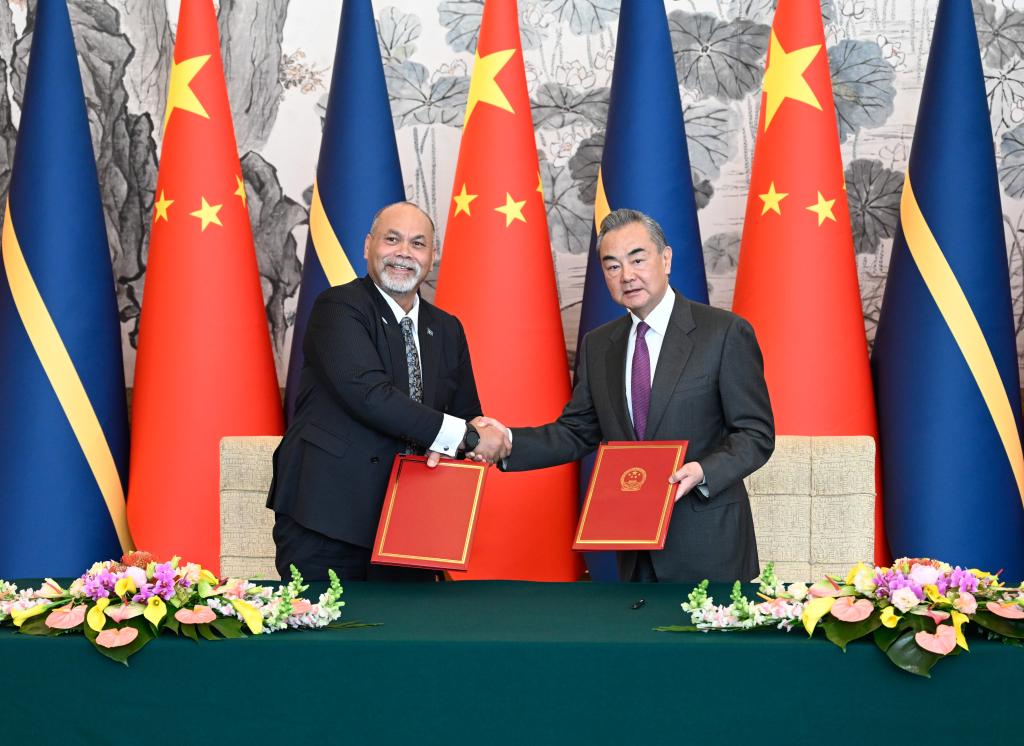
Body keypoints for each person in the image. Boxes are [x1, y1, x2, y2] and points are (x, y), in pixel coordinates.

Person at [475, 208, 774, 582]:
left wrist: (702, 472)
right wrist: (507, 442)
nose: (627, 276)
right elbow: (577, 431)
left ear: (665, 259)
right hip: (635, 549)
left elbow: (755, 435)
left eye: (637, 259)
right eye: (612, 266)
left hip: (709, 542)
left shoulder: (724, 333)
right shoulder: (599, 345)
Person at [267, 201, 507, 581]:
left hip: (411, 523)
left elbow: (465, 412)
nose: (403, 254)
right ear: (367, 246)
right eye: (391, 239)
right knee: (324, 637)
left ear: (432, 256)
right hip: (328, 518)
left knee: (407, 638)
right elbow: (371, 395)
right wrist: (465, 435)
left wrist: (479, 433)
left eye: (417, 244)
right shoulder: (338, 307)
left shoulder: (447, 328)